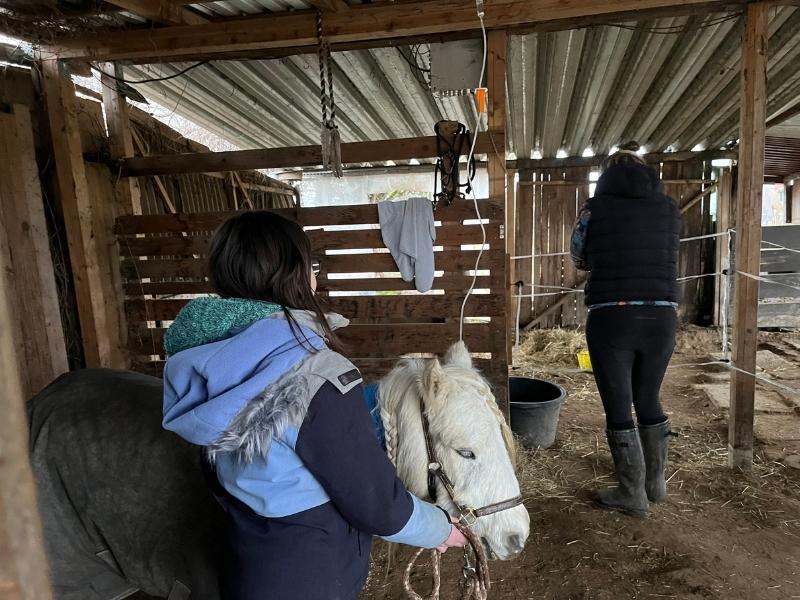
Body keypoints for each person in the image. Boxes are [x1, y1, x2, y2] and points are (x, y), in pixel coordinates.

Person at [161, 211, 467, 600]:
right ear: (294, 275)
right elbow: (374, 503)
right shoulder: (317, 375)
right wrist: (440, 528)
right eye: (311, 265)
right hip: (311, 573)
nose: (314, 276)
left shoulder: (205, 363)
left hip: (247, 558)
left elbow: (210, 471)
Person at [570, 141, 680, 518]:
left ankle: (632, 492)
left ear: (608, 174)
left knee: (619, 404)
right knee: (648, 398)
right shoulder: (668, 208)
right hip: (662, 316)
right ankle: (655, 484)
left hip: (612, 316)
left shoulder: (595, 208)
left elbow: (578, 254)